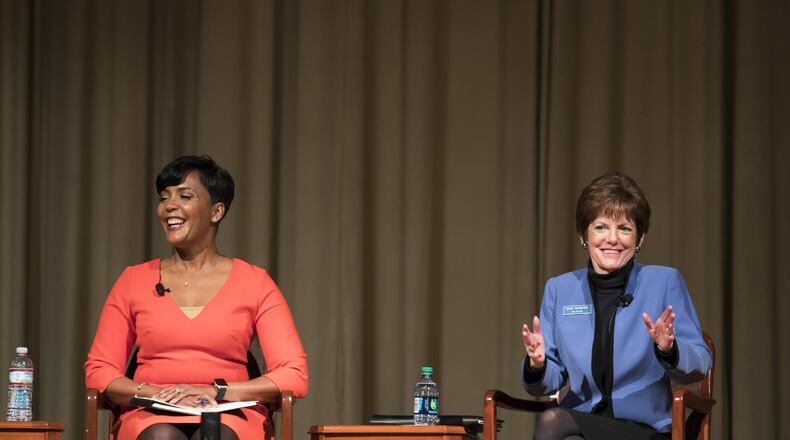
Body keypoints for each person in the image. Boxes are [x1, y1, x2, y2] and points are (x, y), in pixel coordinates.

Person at [85, 155, 308, 440]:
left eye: (185, 196)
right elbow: (99, 370)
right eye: (165, 197)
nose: (169, 206)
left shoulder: (255, 282)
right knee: (160, 437)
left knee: (217, 435)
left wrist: (216, 391)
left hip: (230, 412)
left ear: (216, 212)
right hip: (150, 413)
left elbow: (293, 374)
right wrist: (159, 393)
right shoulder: (134, 279)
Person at [520, 172, 711, 440]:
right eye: (601, 227)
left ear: (640, 238)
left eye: (624, 228)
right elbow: (548, 382)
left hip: (644, 429)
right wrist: (538, 364)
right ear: (583, 234)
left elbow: (701, 362)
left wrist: (669, 350)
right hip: (581, 421)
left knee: (552, 421)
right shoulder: (559, 290)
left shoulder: (663, 282)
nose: (612, 239)